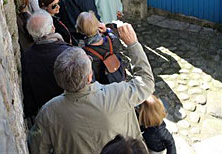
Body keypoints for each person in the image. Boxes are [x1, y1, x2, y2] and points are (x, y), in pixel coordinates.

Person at [28, 23, 155, 154]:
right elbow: (146, 82)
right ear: (89, 77)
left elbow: (38, 148)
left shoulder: (48, 112)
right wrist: (133, 44)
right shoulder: (117, 94)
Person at [21, 10, 70, 120]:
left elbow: (27, 91)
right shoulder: (69, 53)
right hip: (71, 112)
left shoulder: (27, 56)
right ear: (53, 28)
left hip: (47, 115)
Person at [76, 11, 126, 84]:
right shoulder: (111, 39)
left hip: (102, 82)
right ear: (98, 25)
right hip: (118, 74)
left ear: (80, 30)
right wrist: (107, 30)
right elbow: (117, 43)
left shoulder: (84, 52)